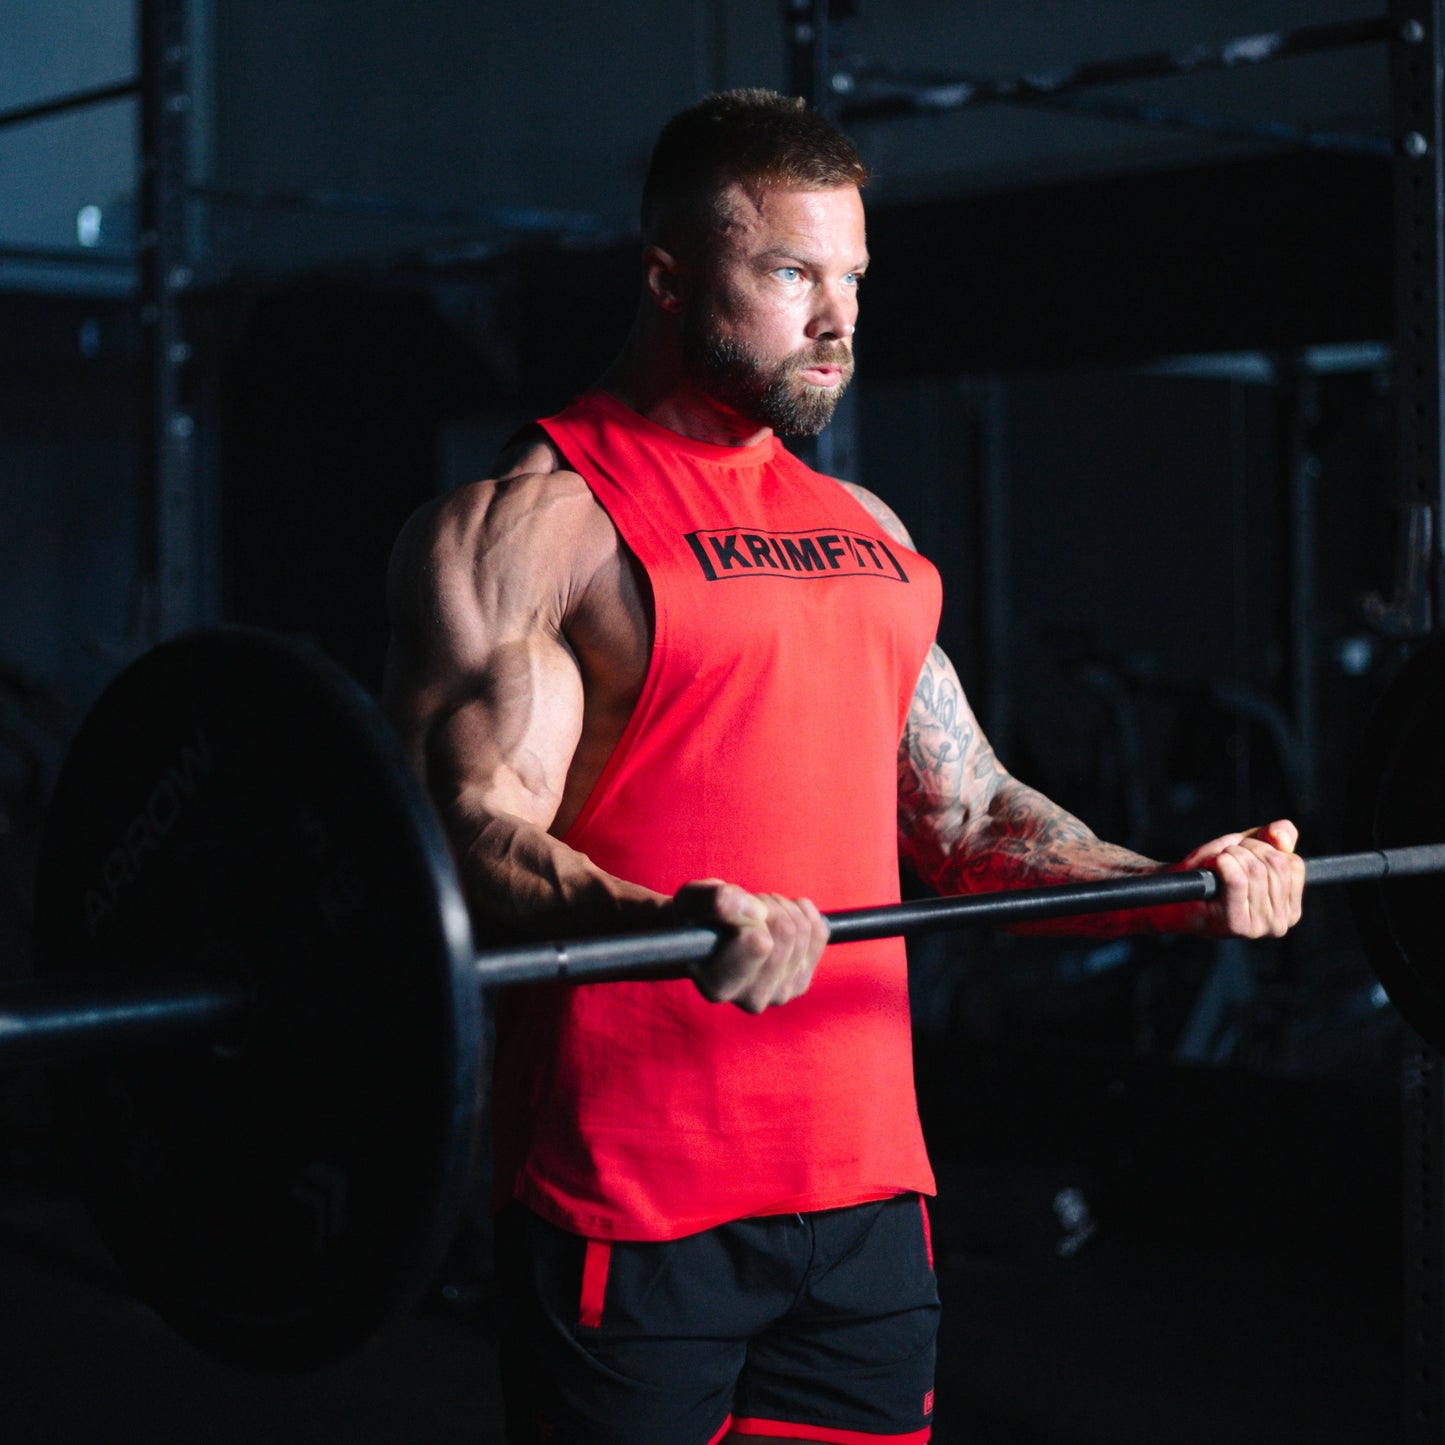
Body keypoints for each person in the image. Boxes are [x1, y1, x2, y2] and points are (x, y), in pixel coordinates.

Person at [384, 88, 1305, 1445]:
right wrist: (661, 925)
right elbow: (466, 828)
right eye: (789, 273)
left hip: (866, 1197)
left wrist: (1174, 886)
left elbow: (975, 813)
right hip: (632, 1205)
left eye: (854, 277)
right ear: (665, 277)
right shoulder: (536, 526)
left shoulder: (865, 530)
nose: (839, 319)